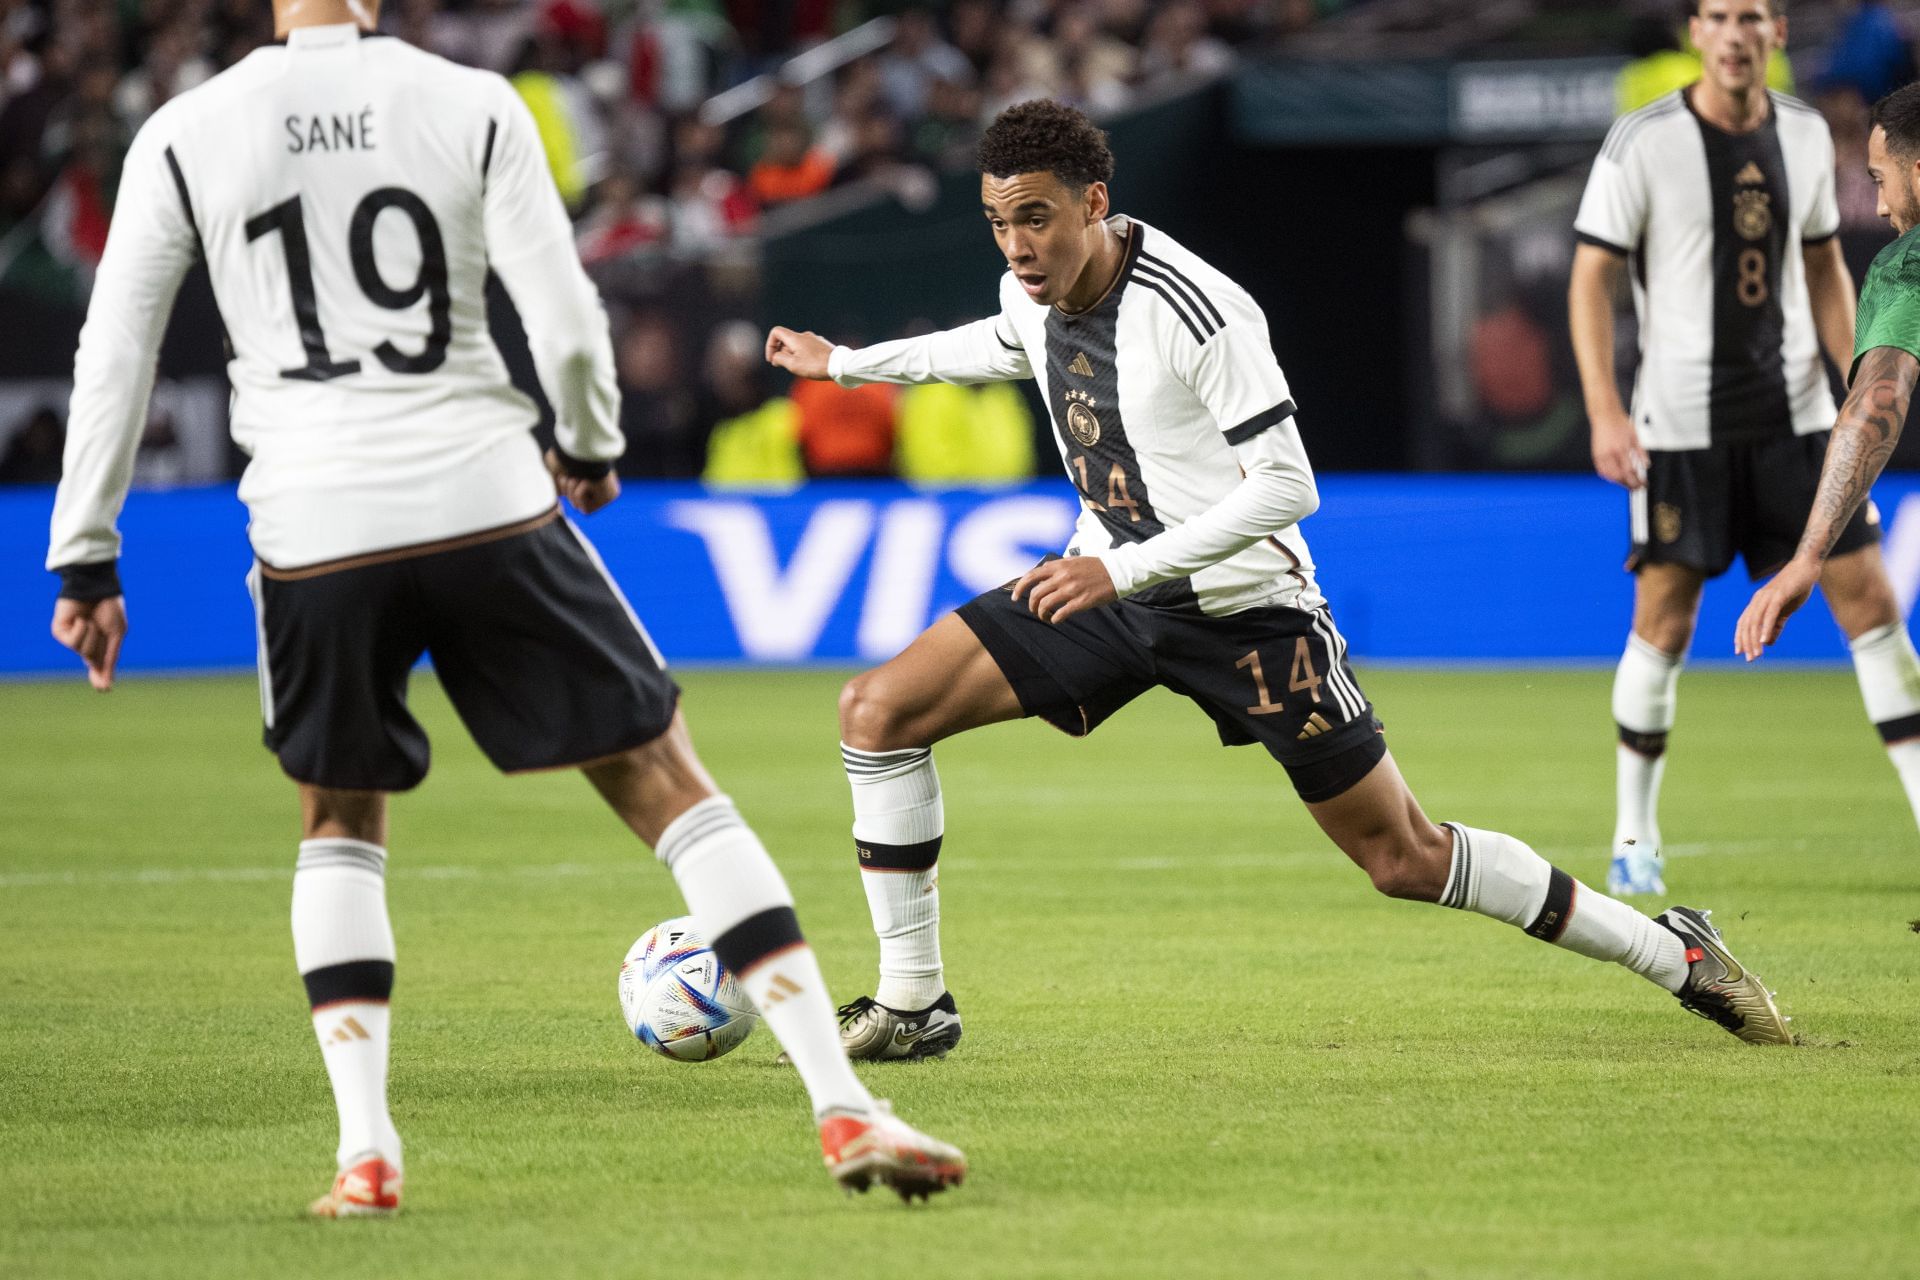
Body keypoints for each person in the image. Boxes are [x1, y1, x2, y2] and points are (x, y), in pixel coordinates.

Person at [43, 0, 962, 1217]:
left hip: (312, 523)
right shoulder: (469, 101)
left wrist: (86, 557)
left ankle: (366, 1150)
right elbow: (565, 316)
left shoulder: (184, 129)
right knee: (665, 780)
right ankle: (842, 1100)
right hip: (480, 488)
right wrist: (586, 444)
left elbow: (116, 351)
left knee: (337, 819)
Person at [764, 98, 1793, 1067]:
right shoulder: (1027, 292)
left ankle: (1674, 951)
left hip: (1244, 609)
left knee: (1405, 856)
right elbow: (998, 342)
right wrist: (849, 365)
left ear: (1093, 203)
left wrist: (1116, 566)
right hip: (1110, 590)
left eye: (1034, 218)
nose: (1016, 245)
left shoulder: (1199, 310)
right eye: (997, 223)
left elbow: (1289, 486)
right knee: (878, 710)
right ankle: (914, 1002)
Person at [1568, 0, 1920, 898]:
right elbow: (1591, 277)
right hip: (1680, 425)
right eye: (1718, 16)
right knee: (1665, 621)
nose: (1735, 32)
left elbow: (1821, 268)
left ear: (1777, 32)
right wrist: (1606, 411)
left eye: (1752, 16)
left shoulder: (1804, 133)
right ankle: (1634, 836)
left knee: (1872, 604)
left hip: (1800, 418)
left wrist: (1854, 384)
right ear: (1695, 32)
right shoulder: (1641, 140)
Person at [1741, 84, 1920, 662]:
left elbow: (1873, 406)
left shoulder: (1908, 266)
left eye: (1879, 179)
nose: (1880, 207)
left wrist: (1808, 556)